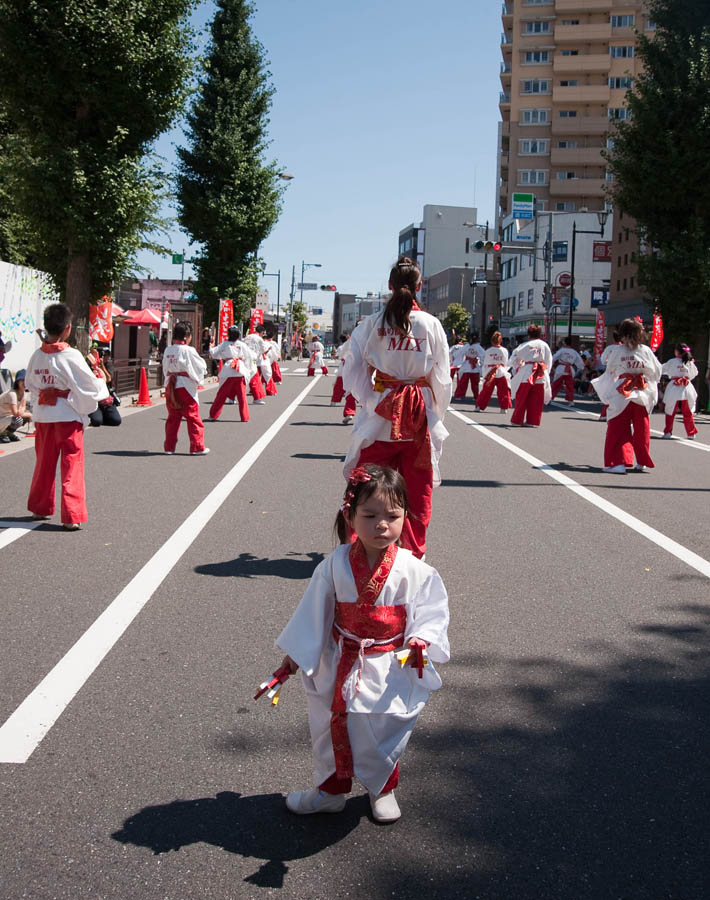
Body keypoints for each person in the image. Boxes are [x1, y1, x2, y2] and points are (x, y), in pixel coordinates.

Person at [275, 465, 449, 823]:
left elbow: (432, 611)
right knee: (327, 726)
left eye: (393, 516)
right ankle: (329, 792)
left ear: (405, 518)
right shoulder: (334, 565)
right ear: (350, 516)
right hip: (340, 659)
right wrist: (293, 659)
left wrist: (422, 637)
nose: (381, 524)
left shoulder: (414, 570)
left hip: (389, 666)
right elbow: (314, 615)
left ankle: (382, 788)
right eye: (370, 515)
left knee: (384, 729)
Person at [342, 256, 451, 559]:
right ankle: (415, 552)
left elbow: (352, 369)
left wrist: (373, 401)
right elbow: (442, 377)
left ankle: (356, 545)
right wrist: (435, 412)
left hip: (382, 413)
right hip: (419, 414)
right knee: (418, 487)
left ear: (390, 286)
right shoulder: (431, 324)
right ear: (419, 287)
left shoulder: (373, 323)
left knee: (365, 481)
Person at [25, 303, 109, 529]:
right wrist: (101, 383)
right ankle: (72, 516)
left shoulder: (37, 355)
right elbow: (89, 386)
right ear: (68, 328)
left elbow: (31, 384)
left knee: (44, 463)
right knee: (72, 464)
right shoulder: (70, 355)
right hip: (68, 414)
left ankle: (39, 507)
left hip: (44, 415)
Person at [592, 317, 662, 473]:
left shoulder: (617, 351)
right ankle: (642, 461)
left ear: (622, 334)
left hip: (623, 392)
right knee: (642, 429)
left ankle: (617, 463)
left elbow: (610, 370)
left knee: (618, 427)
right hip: (642, 392)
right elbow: (657, 372)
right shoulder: (646, 350)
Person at [162, 321, 209, 455]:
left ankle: (169, 447)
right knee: (192, 416)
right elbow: (201, 366)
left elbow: (165, 368)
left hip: (170, 384)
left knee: (173, 417)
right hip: (184, 385)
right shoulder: (188, 350)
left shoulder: (168, 350)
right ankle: (197, 446)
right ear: (187, 336)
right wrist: (198, 378)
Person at [509, 324, 553, 426]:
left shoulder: (524, 345)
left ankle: (517, 420)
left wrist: (517, 369)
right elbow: (549, 360)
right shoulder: (544, 345)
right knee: (537, 400)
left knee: (521, 398)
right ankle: (532, 421)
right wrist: (546, 372)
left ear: (528, 334)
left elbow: (514, 358)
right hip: (541, 373)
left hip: (527, 372)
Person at [207, 326, 252, 422]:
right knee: (242, 396)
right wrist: (247, 369)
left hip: (228, 370)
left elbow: (214, 353)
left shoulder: (225, 344)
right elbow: (249, 357)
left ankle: (213, 415)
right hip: (240, 370)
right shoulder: (242, 344)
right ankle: (245, 417)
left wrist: (211, 346)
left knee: (221, 395)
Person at [661, 343, 699, 439]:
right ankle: (691, 432)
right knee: (688, 411)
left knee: (670, 410)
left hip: (674, 387)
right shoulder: (690, 363)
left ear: (677, 351)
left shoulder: (672, 361)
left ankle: (668, 432)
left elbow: (661, 369)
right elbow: (695, 373)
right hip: (687, 387)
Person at [85, 344, 121, 427]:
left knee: (116, 421)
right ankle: (97, 415)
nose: (107, 358)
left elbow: (108, 379)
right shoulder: (89, 365)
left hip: (105, 400)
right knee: (97, 422)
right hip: (94, 399)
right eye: (105, 356)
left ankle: (104, 415)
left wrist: (102, 366)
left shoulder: (107, 365)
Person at [476, 331, 512, 413]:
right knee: (503, 391)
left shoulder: (488, 351)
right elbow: (506, 362)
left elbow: (484, 362)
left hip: (490, 371)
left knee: (486, 390)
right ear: (500, 340)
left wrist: (484, 372)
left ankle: (479, 406)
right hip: (501, 371)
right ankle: (504, 408)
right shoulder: (504, 350)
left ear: (492, 341)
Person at [330, 334, 357, 425]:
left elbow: (341, 355)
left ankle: (348, 411)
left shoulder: (346, 344)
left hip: (347, 366)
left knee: (344, 387)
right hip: (363, 367)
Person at [0, 370, 32, 442]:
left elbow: (22, 408)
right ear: (17, 382)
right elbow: (16, 413)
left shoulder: (24, 393)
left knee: (24, 416)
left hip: (4, 418)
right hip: (2, 418)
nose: (25, 383)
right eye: (22, 380)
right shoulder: (12, 394)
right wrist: (29, 415)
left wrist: (25, 413)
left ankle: (8, 433)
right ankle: (2, 433)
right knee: (18, 419)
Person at [549, 338, 584, 405]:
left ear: (564, 343)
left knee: (556, 384)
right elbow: (580, 362)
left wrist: (551, 365)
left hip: (561, 369)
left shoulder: (562, 350)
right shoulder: (574, 352)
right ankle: (571, 401)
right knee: (570, 386)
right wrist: (581, 368)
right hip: (570, 369)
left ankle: (550, 399)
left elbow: (554, 358)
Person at [452, 332, 484, 401]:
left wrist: (455, 360)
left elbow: (459, 353)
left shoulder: (467, 346)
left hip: (467, 366)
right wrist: (482, 364)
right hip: (475, 367)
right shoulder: (479, 347)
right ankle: (476, 396)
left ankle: (459, 395)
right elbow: (483, 356)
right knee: (475, 384)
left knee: (463, 382)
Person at [243, 325, 267, 405]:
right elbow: (263, 349)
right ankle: (257, 397)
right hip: (253, 360)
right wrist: (258, 355)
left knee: (238, 379)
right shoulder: (259, 339)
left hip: (244, 360)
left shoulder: (247, 337)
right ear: (262, 332)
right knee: (255, 379)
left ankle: (231, 397)